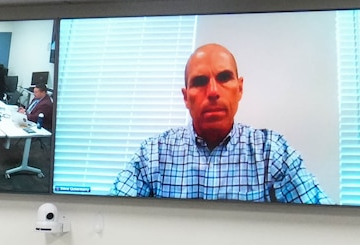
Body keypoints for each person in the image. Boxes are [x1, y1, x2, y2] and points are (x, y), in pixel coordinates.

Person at [112, 43, 331, 204]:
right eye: (200, 81)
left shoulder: (271, 151)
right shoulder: (153, 155)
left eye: (224, 78)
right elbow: (112, 218)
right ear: (186, 97)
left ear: (240, 88)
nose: (214, 92)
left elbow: (324, 222)